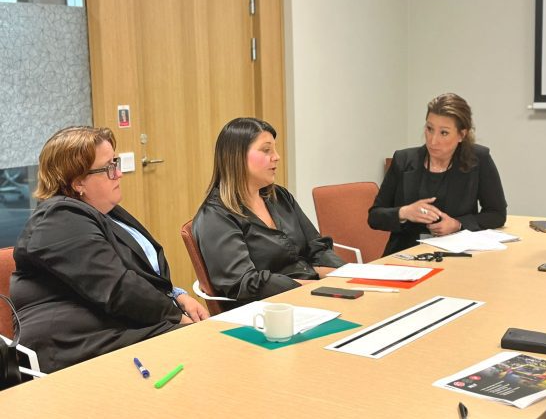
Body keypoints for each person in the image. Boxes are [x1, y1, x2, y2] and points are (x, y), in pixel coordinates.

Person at [11, 126, 207, 373]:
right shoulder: (58, 219)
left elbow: (140, 272)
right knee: (200, 347)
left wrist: (177, 295)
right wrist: (176, 315)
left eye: (116, 162)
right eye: (109, 168)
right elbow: (117, 287)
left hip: (110, 325)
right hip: (73, 343)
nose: (119, 174)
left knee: (203, 346)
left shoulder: (105, 212)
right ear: (78, 181)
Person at [193, 117, 345, 302]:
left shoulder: (279, 196)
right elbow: (244, 282)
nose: (277, 156)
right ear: (236, 157)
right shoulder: (215, 216)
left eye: (274, 149)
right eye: (266, 150)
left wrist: (345, 274)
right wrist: (312, 286)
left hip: (311, 293)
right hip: (269, 309)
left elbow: (317, 246)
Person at [368, 93, 507, 255]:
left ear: (462, 135)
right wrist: (404, 212)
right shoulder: (403, 160)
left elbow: (497, 214)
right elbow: (374, 217)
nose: (433, 141)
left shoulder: (478, 159)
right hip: (406, 255)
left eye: (444, 133)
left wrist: (458, 224)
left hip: (457, 256)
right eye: (429, 129)